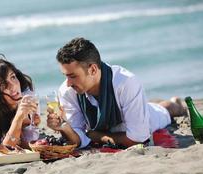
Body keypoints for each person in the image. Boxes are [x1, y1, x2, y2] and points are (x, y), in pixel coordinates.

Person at [47, 37, 186, 149]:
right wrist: (63, 127)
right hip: (117, 125)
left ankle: (175, 102)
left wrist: (96, 136)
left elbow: (138, 140)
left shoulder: (126, 83)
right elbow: (78, 138)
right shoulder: (67, 90)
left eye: (72, 76)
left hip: (144, 120)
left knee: (166, 109)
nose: (68, 83)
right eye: (65, 76)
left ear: (93, 70)